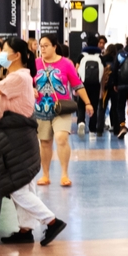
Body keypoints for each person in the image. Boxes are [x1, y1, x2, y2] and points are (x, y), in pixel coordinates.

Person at [0, 38, 67, 246]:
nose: (0, 54)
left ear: (16, 55)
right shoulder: (13, 77)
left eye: (4, 50)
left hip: (17, 137)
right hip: (16, 137)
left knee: (16, 188)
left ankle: (51, 221)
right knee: (24, 184)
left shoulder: (18, 77)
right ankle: (25, 230)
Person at [35, 34, 92, 187]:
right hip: (41, 108)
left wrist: (87, 103)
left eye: (46, 45)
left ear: (54, 46)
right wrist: (31, 89)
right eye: (41, 46)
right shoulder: (35, 63)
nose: (43, 48)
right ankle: (45, 175)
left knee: (61, 138)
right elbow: (28, 81)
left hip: (62, 107)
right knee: (45, 142)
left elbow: (77, 84)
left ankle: (64, 174)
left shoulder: (66, 63)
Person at [76, 36, 104, 137]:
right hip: (96, 84)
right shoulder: (100, 56)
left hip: (83, 84)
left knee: (81, 104)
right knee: (94, 106)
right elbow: (104, 72)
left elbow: (76, 70)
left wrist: (76, 86)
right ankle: (92, 129)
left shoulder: (82, 56)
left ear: (86, 44)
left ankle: (81, 122)